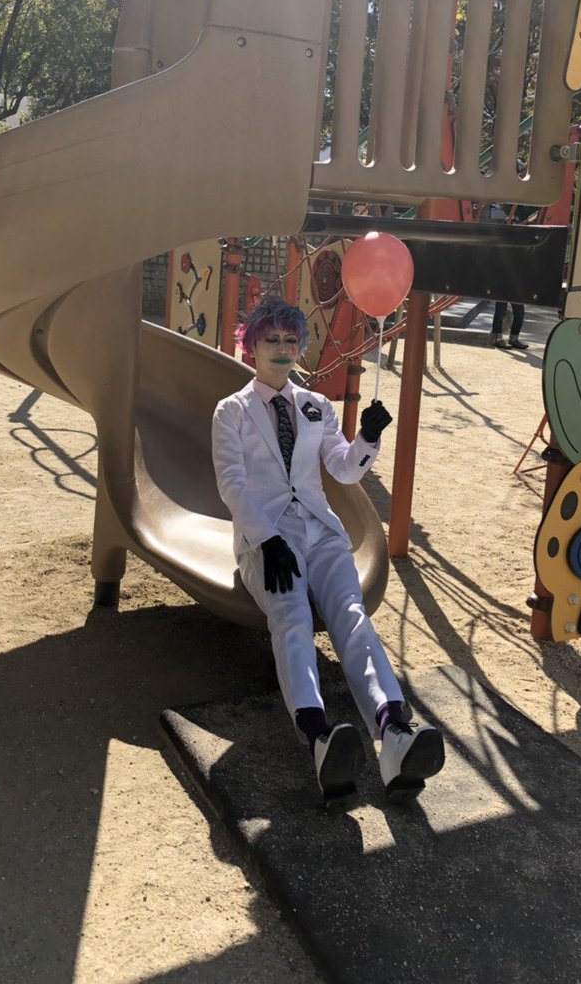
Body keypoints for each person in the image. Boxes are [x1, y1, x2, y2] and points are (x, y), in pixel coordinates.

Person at [211, 296, 445, 807]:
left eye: (290, 341)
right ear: (251, 347)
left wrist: (367, 439)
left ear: (300, 348)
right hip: (268, 537)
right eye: (271, 340)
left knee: (352, 616)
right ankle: (318, 735)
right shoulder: (231, 411)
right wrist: (266, 540)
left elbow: (341, 468)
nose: (281, 349)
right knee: (291, 615)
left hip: (321, 533)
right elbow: (232, 484)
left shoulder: (315, 404)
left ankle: (394, 730)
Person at [482, 202, 529, 349]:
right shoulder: (500, 245)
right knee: (500, 311)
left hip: (515, 283)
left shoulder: (520, 248)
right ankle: (497, 337)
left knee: (519, 312)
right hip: (502, 282)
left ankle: (514, 338)